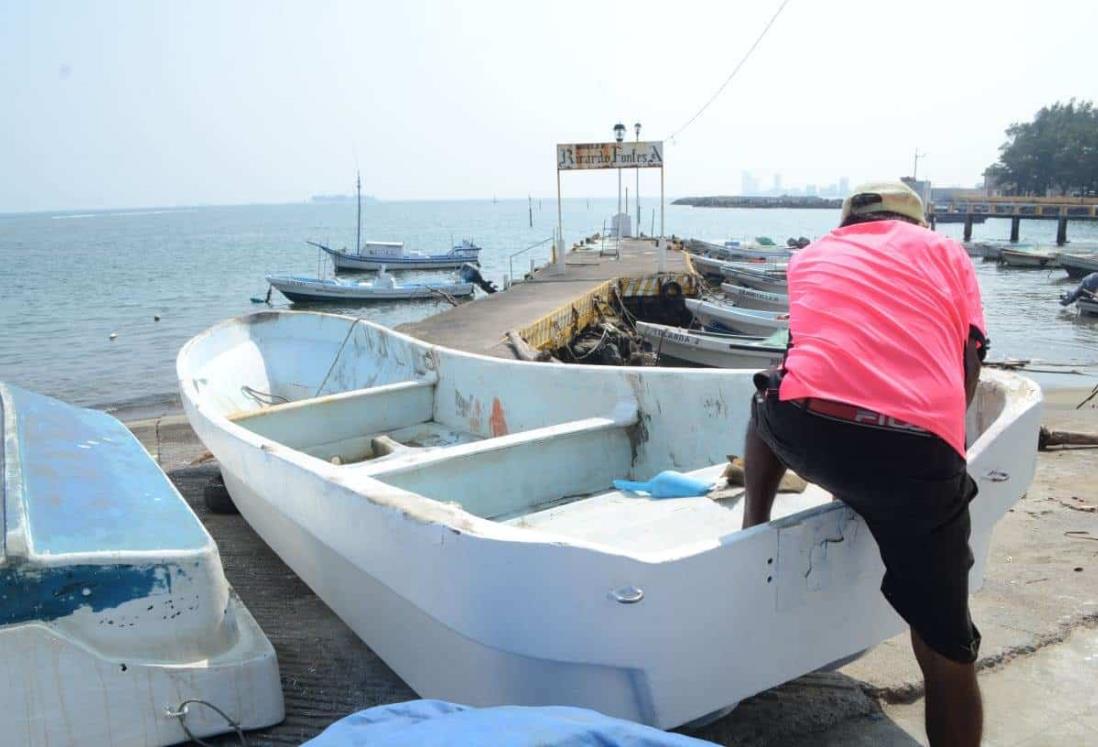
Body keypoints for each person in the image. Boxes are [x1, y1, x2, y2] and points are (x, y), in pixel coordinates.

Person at [742, 182, 988, 747]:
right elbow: (967, 363)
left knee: (765, 399)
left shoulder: (811, 255)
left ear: (848, 222)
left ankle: (753, 524)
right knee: (947, 649)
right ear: (919, 223)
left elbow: (814, 355)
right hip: (914, 459)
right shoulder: (948, 253)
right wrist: (946, 456)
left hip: (810, 433)